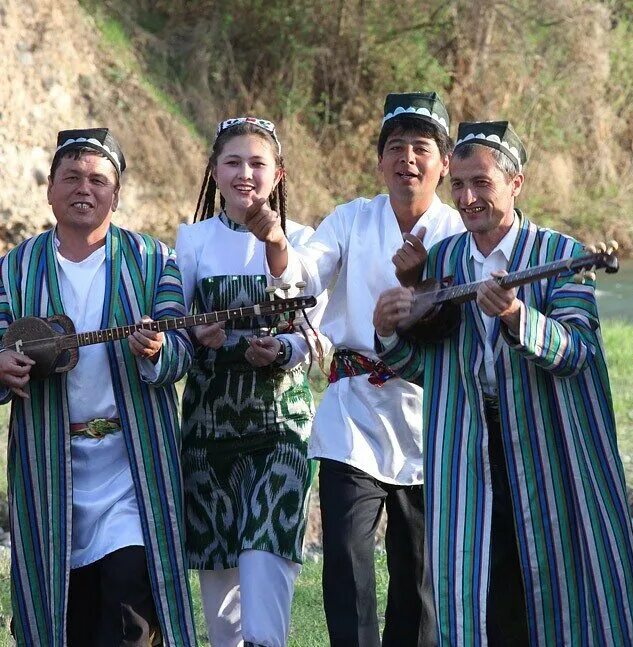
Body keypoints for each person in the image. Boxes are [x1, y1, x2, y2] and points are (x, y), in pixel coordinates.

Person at [369, 120, 633, 645]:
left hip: (550, 452)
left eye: (481, 183)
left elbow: (579, 353)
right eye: (458, 184)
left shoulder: (561, 255)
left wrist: (518, 317)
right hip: (467, 454)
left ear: (516, 183)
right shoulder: (446, 260)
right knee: (481, 588)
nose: (467, 197)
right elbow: (432, 373)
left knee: (560, 586)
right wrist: (387, 333)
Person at [246, 91, 462, 646]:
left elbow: (459, 318)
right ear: (380, 160)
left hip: (426, 415)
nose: (407, 160)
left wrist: (421, 287)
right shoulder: (350, 219)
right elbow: (306, 275)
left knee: (418, 573)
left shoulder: (457, 233)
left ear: (443, 162)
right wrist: (275, 243)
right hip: (353, 409)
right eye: (395, 147)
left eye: (421, 148)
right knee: (345, 557)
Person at [0, 129, 197, 645]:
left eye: (98, 180)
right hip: (49, 469)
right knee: (68, 619)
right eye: (71, 177)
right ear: (49, 189)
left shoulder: (156, 260)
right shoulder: (14, 269)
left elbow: (183, 351)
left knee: (131, 616)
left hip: (132, 469)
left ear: (116, 193)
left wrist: (157, 350)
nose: (83, 188)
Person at [175, 116, 325, 647]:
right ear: (214, 172)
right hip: (208, 428)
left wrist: (282, 349)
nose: (245, 174)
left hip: (279, 423)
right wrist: (197, 333)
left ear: (278, 174)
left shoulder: (305, 239)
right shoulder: (191, 240)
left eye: (257, 163)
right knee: (221, 593)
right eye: (232, 162)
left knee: (265, 557)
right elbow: (173, 319)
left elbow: (312, 332)